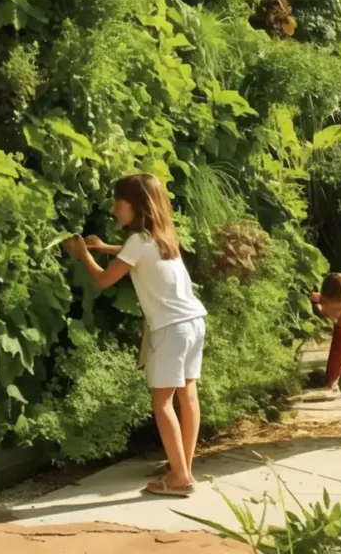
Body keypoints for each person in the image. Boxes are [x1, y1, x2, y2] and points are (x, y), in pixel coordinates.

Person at [63, 173, 206, 498]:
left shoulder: (138, 241)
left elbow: (102, 280)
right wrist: (104, 247)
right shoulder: (162, 235)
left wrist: (83, 253)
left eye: (118, 203)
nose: (114, 210)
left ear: (136, 205)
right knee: (188, 396)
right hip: (194, 322)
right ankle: (182, 467)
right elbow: (136, 253)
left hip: (170, 328)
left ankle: (181, 477)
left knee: (162, 402)